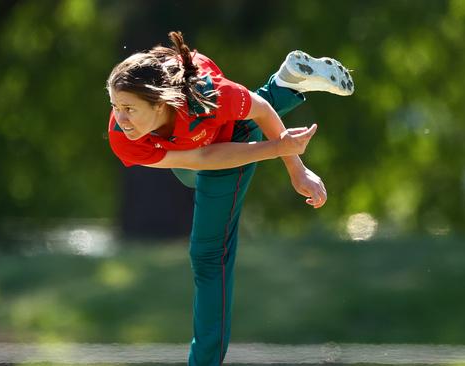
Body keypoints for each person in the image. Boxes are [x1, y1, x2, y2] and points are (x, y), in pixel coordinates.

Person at [106, 31, 354, 366]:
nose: (121, 119)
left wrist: (296, 168)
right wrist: (279, 147)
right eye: (115, 107)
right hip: (194, 154)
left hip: (227, 136)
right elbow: (198, 161)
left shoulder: (210, 94)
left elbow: (260, 110)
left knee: (209, 257)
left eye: (129, 109)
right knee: (189, 175)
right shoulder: (123, 137)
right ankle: (288, 83)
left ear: (160, 103)